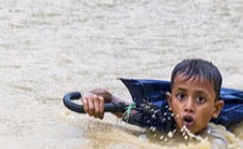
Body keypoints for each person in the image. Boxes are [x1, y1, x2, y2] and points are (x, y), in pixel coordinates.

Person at [80, 58, 225, 137]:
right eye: (181, 96)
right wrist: (99, 97)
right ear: (170, 101)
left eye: (200, 99)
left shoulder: (214, 139)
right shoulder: (159, 120)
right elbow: (126, 108)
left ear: (216, 109)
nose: (188, 106)